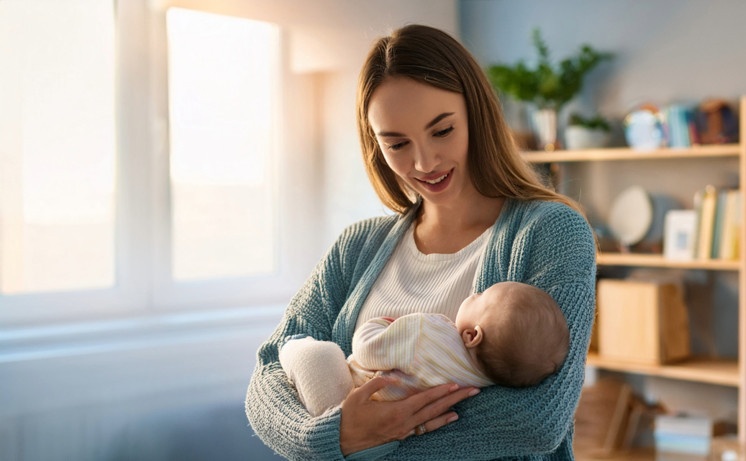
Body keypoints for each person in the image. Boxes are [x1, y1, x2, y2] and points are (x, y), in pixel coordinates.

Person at [245, 24, 596, 460]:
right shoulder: (357, 247)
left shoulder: (550, 232)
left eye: (442, 131)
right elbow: (272, 368)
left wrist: (376, 442)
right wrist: (331, 436)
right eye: (396, 143)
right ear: (375, 145)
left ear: (475, 113)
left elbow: (537, 419)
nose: (424, 162)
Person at [279, 281, 570, 417]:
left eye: (481, 295)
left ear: (471, 335)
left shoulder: (428, 333)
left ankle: (293, 348)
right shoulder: (478, 384)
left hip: (342, 395)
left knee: (319, 353)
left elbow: (365, 350)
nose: (474, 292)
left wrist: (379, 324)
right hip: (384, 433)